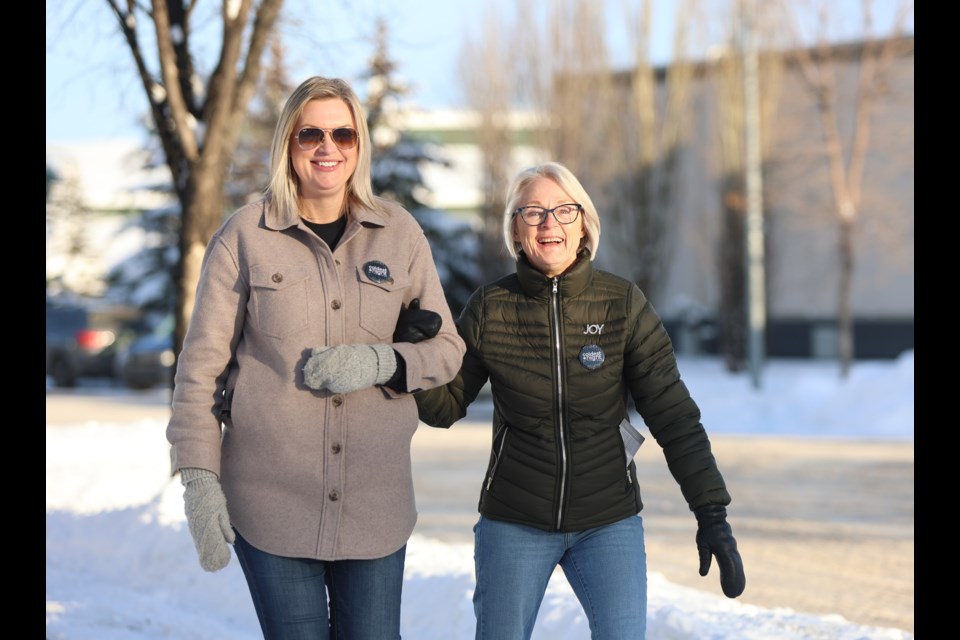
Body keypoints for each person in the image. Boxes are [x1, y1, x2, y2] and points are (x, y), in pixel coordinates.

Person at [166, 75, 466, 640]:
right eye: (311, 134)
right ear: (288, 144)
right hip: (270, 504)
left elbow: (448, 350)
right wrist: (199, 481)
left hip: (375, 508)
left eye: (343, 134)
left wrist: (383, 363)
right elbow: (199, 371)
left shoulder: (399, 234)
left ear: (360, 145)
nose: (328, 148)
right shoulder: (244, 237)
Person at [414, 161, 745, 639]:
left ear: (584, 224)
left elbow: (673, 415)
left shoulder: (622, 304)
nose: (549, 223)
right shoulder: (490, 308)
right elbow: (445, 409)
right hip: (515, 521)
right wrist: (415, 356)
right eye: (532, 212)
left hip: (607, 520)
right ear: (515, 229)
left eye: (563, 210)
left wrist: (711, 512)